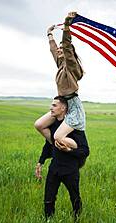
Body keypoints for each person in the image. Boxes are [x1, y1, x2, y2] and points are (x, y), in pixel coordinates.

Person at [34, 12, 85, 151]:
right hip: (62, 103)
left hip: (73, 107)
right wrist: (49, 34)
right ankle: (55, 149)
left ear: (69, 54)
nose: (59, 50)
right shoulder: (61, 64)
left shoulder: (71, 65)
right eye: (59, 48)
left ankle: (75, 148)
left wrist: (67, 26)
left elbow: (67, 47)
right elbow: (53, 51)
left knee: (58, 136)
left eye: (62, 49)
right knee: (39, 125)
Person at [35, 96, 89, 219]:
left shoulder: (74, 127)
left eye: (54, 105)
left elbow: (85, 150)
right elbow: (48, 145)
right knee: (48, 199)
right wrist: (41, 162)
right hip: (54, 168)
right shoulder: (53, 125)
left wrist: (69, 151)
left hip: (70, 169)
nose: (51, 108)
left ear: (63, 108)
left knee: (75, 198)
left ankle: (77, 221)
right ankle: (48, 222)